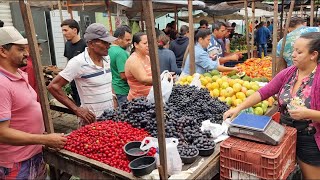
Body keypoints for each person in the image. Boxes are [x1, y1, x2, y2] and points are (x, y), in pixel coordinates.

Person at [224, 32, 320, 179]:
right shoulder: (289, 73)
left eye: (299, 52)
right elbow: (264, 92)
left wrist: (309, 114)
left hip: (310, 139)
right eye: (293, 50)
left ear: (313, 55)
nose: (293, 55)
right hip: (284, 134)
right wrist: (238, 107)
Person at [0, 26, 66, 179]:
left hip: (33, 155)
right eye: (20, 49)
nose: (27, 53)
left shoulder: (19, 73)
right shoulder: (2, 84)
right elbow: (2, 133)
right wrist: (44, 139)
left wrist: (41, 138)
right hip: (17, 164)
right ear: (3, 51)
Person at [48, 23, 117, 127]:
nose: (109, 45)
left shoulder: (107, 58)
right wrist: (77, 109)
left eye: (108, 42)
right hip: (92, 121)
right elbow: (53, 86)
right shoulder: (78, 62)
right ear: (91, 44)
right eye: (104, 42)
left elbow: (107, 81)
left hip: (110, 118)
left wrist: (113, 97)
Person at [61, 19, 87, 106]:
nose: (64, 33)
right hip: (73, 84)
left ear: (75, 30)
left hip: (84, 84)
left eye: (66, 30)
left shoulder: (85, 45)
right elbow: (69, 62)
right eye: (62, 31)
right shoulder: (67, 44)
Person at [109, 25, 132, 107]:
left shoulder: (109, 49)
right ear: (118, 39)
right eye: (127, 40)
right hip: (122, 90)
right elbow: (123, 75)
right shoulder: (121, 53)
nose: (129, 42)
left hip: (114, 88)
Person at [19, 31, 47, 99]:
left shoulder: (26, 63)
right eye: (38, 45)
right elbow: (30, 92)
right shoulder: (29, 66)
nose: (40, 49)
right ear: (26, 46)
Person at [125, 32, 152, 101]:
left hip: (148, 99)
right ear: (136, 45)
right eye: (145, 43)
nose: (148, 45)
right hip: (137, 102)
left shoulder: (147, 58)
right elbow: (144, 80)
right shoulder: (133, 60)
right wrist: (161, 79)